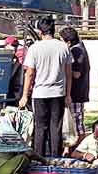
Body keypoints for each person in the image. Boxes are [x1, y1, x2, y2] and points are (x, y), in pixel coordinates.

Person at [19, 17, 73, 159]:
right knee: (56, 128)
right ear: (54, 30)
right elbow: (69, 73)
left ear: (40, 31)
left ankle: (39, 160)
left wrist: (24, 96)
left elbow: (29, 73)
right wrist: (68, 95)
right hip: (58, 94)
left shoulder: (34, 48)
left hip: (40, 94)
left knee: (40, 128)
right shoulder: (63, 47)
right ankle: (55, 159)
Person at [60, 26, 90, 141]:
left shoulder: (76, 51)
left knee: (77, 123)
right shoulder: (80, 48)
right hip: (78, 92)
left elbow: (76, 74)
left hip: (76, 93)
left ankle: (79, 148)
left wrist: (63, 69)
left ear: (68, 41)